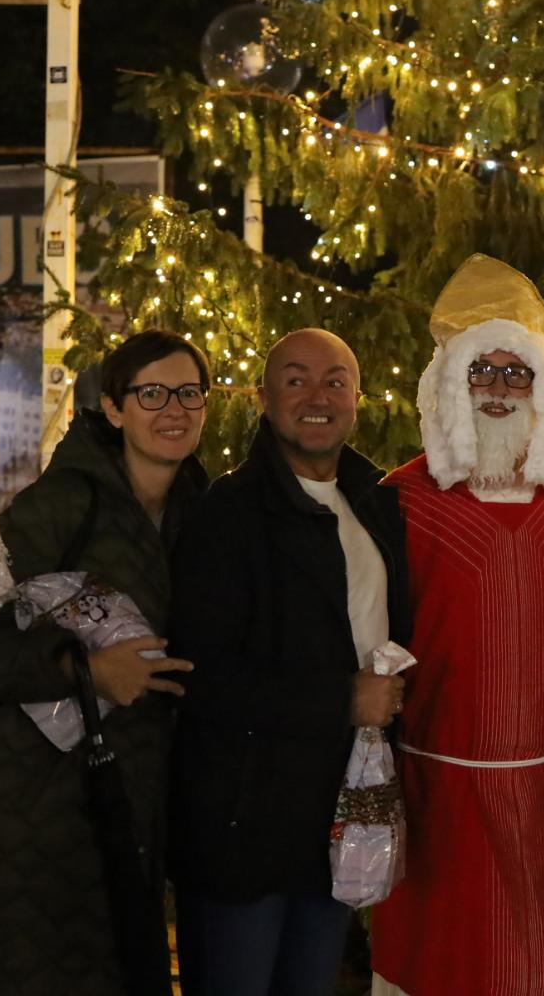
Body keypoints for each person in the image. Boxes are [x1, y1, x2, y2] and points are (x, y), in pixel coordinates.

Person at [370, 254, 544, 996]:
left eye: (518, 374)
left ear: (543, 388)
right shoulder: (404, 500)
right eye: (482, 371)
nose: (498, 389)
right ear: (450, 383)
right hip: (434, 789)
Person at [0, 330, 210, 995]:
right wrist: (85, 671)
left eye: (190, 393)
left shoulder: (202, 509)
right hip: (32, 803)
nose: (174, 409)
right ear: (113, 409)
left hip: (131, 801)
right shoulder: (60, 504)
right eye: (152, 394)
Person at [168, 328, 411, 996]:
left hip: (339, 816)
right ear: (263, 399)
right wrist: (343, 699)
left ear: (358, 399)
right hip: (245, 825)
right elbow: (202, 675)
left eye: (335, 380)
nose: (317, 396)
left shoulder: (380, 501)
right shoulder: (228, 513)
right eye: (296, 379)